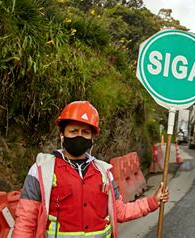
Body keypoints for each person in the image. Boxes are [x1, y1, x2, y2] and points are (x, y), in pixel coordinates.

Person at [13, 101, 169, 237]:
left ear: (92, 138)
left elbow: (119, 211)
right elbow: (25, 222)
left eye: (85, 132)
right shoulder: (41, 171)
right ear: (62, 133)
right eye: (73, 131)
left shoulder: (104, 173)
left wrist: (153, 202)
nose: (79, 136)